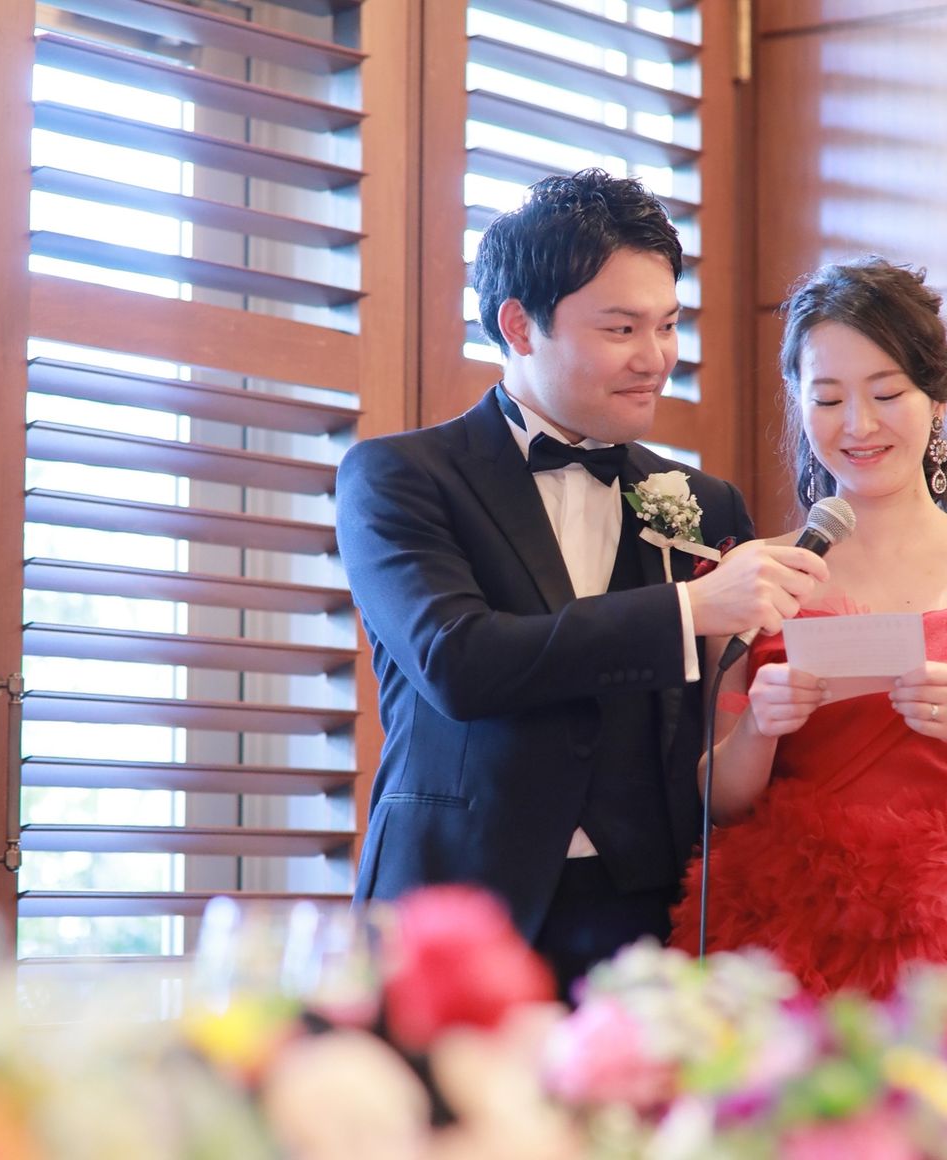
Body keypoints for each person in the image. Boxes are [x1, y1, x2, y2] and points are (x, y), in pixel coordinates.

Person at [669, 255, 947, 1152]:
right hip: (796, 921)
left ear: (937, 398)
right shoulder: (758, 572)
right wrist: (761, 725)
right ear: (799, 404)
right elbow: (718, 797)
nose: (859, 424)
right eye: (828, 397)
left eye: (886, 393)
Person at [335, 168, 828, 999]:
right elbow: (458, 661)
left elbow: (727, 719)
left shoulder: (705, 504)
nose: (655, 359)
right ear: (519, 326)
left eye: (667, 326)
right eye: (621, 328)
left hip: (649, 916)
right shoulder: (399, 477)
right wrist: (687, 609)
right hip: (456, 906)